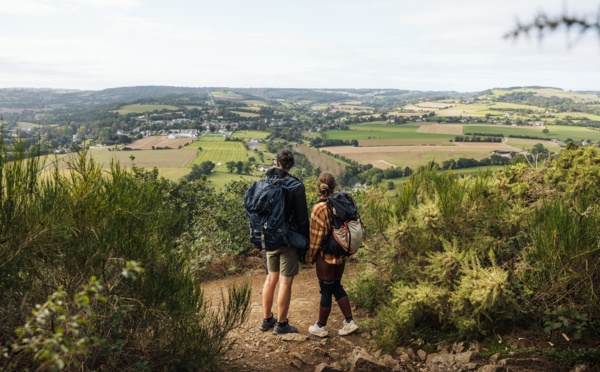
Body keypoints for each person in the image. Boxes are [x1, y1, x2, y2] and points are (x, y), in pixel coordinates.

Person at [259, 149, 309, 335]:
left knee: (270, 279)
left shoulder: (265, 182)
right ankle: (281, 324)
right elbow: (302, 219)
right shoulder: (296, 186)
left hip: (269, 238)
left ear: (277, 163)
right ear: (292, 165)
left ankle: (266, 319)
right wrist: (305, 244)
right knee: (285, 283)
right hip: (288, 239)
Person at [305, 171, 359, 337]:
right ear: (335, 186)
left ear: (318, 186)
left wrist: (309, 257)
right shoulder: (341, 204)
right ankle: (349, 321)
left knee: (326, 289)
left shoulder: (319, 208)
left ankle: (321, 326)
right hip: (342, 253)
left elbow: (315, 240)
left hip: (325, 257)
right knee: (336, 285)